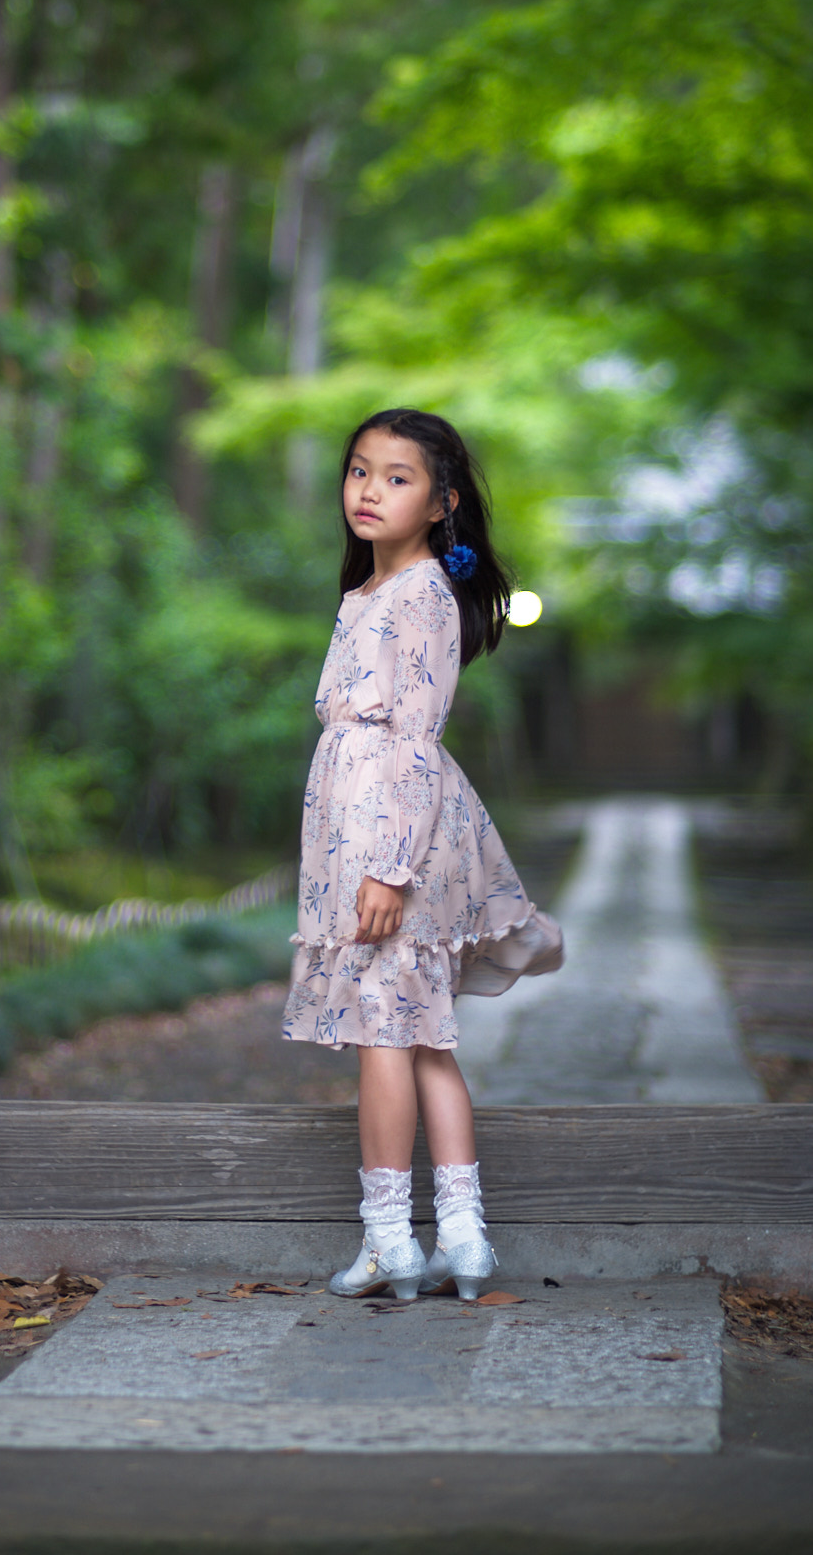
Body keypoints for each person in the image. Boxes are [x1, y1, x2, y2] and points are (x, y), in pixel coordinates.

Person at [282, 408, 564, 1300]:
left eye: (396, 478)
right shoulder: (371, 592)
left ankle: (389, 1241)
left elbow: (412, 740)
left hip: (389, 837)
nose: (369, 489)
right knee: (426, 1041)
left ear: (442, 504)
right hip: (367, 828)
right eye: (359, 470)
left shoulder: (422, 595)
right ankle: (464, 1240)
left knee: (382, 1038)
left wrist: (386, 868)